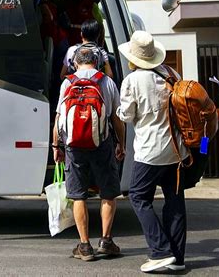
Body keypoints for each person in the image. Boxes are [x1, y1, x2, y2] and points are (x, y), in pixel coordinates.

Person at [116, 31, 190, 273]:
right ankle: (177, 259)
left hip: (150, 150)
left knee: (138, 196)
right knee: (175, 201)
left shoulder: (133, 80)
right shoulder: (172, 74)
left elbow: (126, 115)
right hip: (177, 150)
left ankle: (160, 250)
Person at [52, 47, 126, 261]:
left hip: (73, 146)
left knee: (78, 195)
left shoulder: (67, 82)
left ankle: (84, 246)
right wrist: (121, 143)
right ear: (97, 62)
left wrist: (57, 147)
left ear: (75, 63)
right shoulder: (106, 82)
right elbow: (116, 119)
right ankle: (106, 241)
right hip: (101, 144)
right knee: (108, 192)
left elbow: (59, 119)